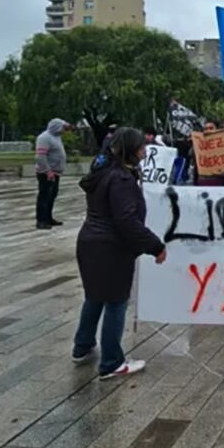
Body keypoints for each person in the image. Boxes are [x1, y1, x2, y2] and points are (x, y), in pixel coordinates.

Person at [72, 127, 168, 379]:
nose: (145, 152)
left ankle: (82, 346)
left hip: (90, 243)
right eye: (142, 148)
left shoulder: (102, 171)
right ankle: (112, 362)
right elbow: (127, 221)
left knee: (94, 296)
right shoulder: (121, 179)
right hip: (110, 248)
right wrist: (155, 246)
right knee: (116, 301)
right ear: (131, 150)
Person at [36, 118, 70, 229]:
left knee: (52, 196)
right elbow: (41, 156)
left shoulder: (56, 137)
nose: (64, 130)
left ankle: (48, 218)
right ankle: (41, 221)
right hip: (47, 173)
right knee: (44, 196)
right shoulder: (44, 137)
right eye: (63, 128)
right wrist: (47, 171)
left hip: (56, 172)